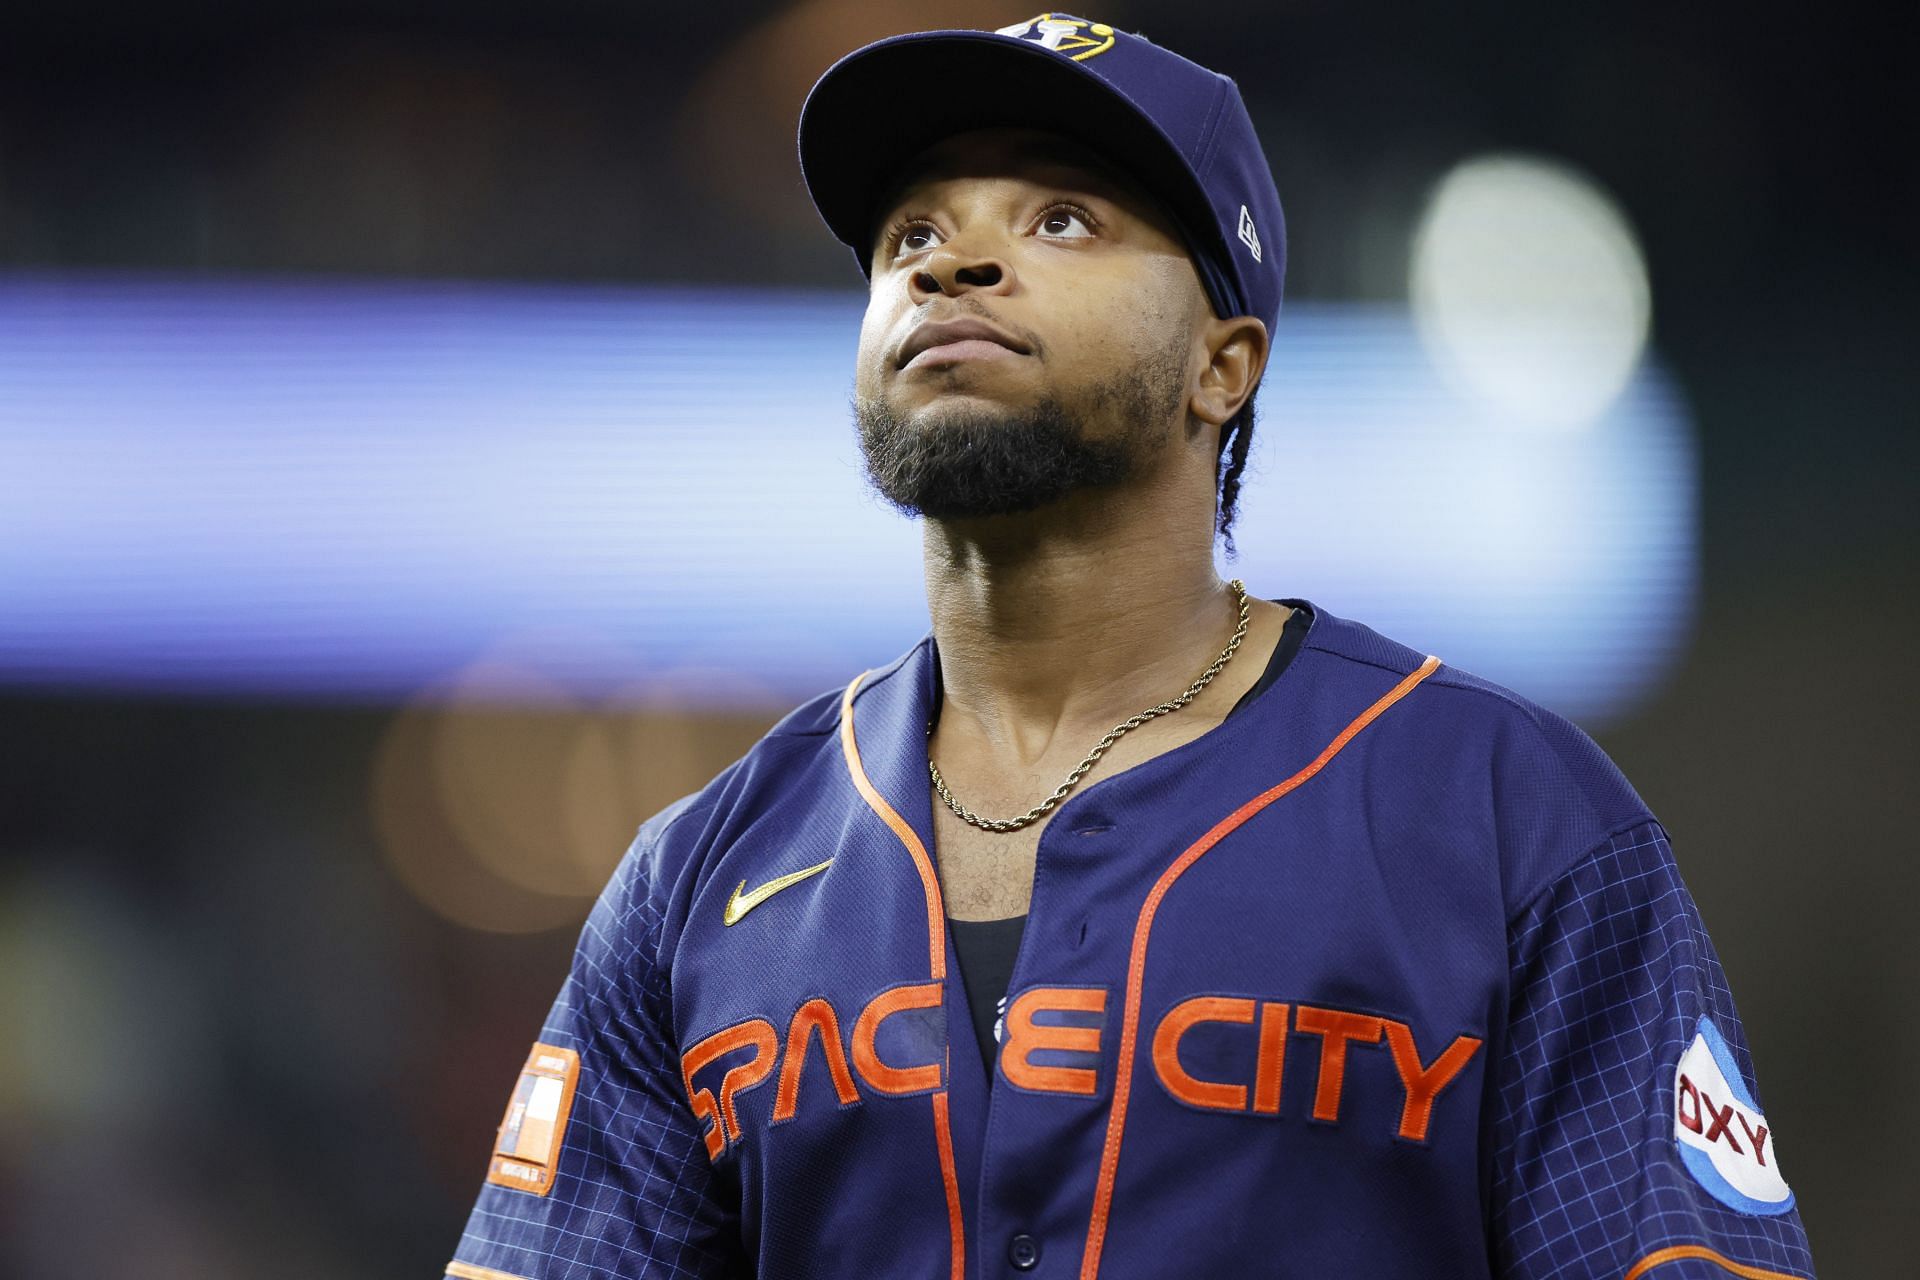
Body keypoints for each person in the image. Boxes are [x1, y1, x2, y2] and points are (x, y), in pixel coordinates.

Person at [445, 15, 1814, 1279]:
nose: (952, 259)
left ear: (1227, 363)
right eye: (909, 232)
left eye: (1062, 218)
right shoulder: (699, 877)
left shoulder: (1507, 816)